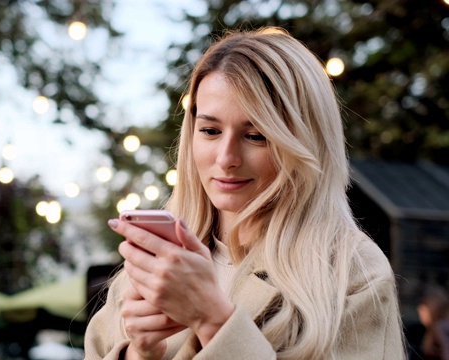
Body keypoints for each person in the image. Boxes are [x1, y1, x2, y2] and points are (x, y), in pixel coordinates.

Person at [84, 27, 406, 359]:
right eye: (210, 131)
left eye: (256, 136)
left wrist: (212, 320)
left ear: (306, 143)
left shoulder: (351, 272)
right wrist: (139, 354)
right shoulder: (151, 269)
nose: (226, 159)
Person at [418, 287, 449, 359]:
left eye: (423, 308)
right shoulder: (435, 328)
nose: (419, 311)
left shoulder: (440, 327)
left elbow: (446, 352)